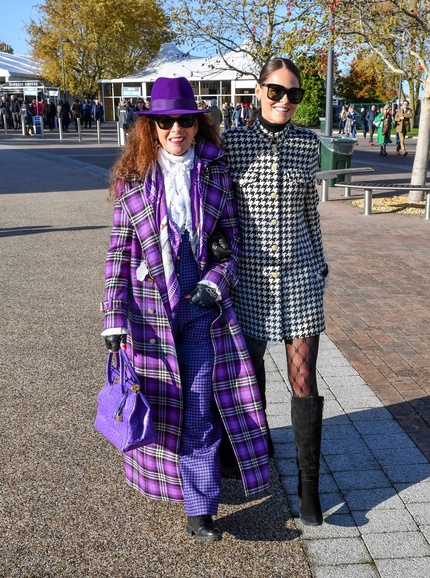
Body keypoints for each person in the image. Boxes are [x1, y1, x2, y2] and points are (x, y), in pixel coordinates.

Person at [101, 76, 269, 542]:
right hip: (149, 313)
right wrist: (113, 319)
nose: (176, 129)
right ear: (151, 128)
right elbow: (118, 254)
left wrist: (215, 283)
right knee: (159, 406)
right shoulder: (132, 182)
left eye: (185, 121)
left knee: (198, 409)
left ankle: (201, 510)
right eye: (166, 122)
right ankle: (170, 483)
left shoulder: (216, 174)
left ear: (197, 126)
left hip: (201, 310)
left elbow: (233, 244)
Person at [222, 58, 328, 526]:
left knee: (304, 380)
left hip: (301, 277)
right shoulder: (233, 143)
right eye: (276, 91)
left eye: (294, 94)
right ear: (258, 91)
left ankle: (309, 487)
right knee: (251, 376)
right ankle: (255, 455)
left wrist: (320, 265)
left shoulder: (308, 144)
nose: (285, 101)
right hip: (251, 281)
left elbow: (310, 212)